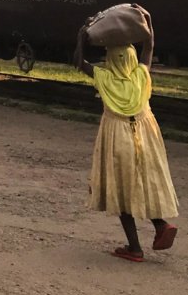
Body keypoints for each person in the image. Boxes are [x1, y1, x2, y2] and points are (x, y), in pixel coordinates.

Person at [75, 24, 179, 262]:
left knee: (121, 190)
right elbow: (149, 47)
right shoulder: (141, 74)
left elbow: (79, 63)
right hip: (145, 137)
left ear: (110, 59)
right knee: (143, 183)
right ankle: (161, 225)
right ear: (133, 58)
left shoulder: (104, 77)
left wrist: (80, 39)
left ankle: (135, 248)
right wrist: (148, 25)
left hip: (117, 137)